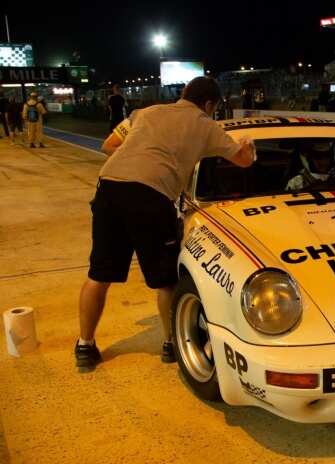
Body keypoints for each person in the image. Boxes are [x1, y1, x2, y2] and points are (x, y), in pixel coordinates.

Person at [75, 76, 255, 370]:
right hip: (150, 196)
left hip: (108, 188)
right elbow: (244, 160)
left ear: (183, 94)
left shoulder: (144, 112)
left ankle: (85, 346)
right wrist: (247, 143)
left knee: (99, 274)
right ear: (209, 105)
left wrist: (140, 161)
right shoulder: (205, 124)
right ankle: (172, 344)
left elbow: (109, 145)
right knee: (165, 279)